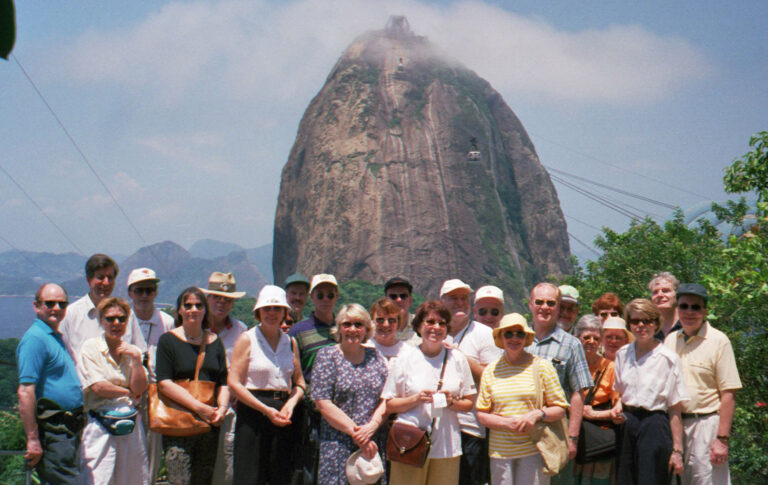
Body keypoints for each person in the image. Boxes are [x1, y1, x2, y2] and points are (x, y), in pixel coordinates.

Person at [383, 300, 476, 485]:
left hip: (447, 446)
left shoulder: (457, 358)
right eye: (430, 322)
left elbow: (468, 403)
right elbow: (390, 404)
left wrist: (451, 402)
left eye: (442, 323)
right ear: (419, 326)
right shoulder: (405, 359)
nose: (436, 327)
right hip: (409, 443)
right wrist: (416, 399)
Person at [476, 313, 569, 485]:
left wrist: (536, 415)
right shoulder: (490, 371)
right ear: (500, 337)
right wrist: (507, 424)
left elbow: (560, 408)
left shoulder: (542, 366)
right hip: (500, 452)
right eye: (508, 334)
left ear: (526, 337)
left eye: (520, 333)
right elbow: (482, 414)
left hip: (534, 448)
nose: (514, 338)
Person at [227, 285, 306, 485]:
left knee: (280, 475)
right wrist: (265, 409)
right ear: (258, 312)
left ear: (285, 312)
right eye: (267, 309)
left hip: (284, 415)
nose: (272, 314)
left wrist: (291, 403)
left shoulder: (291, 343)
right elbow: (234, 383)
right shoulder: (247, 339)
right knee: (249, 476)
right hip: (253, 414)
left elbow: (299, 383)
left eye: (277, 309)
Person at [664, 284, 741, 485]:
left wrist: (722, 440)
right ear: (677, 309)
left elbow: (729, 394)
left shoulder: (718, 341)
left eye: (696, 307)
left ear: (705, 311)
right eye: (684, 306)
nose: (689, 312)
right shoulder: (671, 341)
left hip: (706, 425)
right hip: (675, 426)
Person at [155, 287, 230, 485]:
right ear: (179, 310)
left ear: (205, 310)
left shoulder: (215, 342)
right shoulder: (168, 341)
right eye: (187, 305)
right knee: (179, 480)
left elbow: (223, 381)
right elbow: (164, 383)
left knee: (203, 480)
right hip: (178, 425)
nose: (193, 310)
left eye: (198, 305)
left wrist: (221, 409)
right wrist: (199, 408)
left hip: (209, 426)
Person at [611, 298, 687, 484]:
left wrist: (677, 450)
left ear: (656, 323)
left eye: (647, 321)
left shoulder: (668, 358)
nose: (641, 326)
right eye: (635, 321)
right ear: (629, 324)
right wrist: (617, 408)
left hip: (655, 425)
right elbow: (620, 394)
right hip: (628, 425)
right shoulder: (622, 354)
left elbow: (675, 407)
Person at [312, 304, 389, 484]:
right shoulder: (327, 356)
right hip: (337, 444)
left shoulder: (376, 357)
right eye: (347, 324)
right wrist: (357, 434)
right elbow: (323, 403)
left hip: (371, 443)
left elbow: (386, 398)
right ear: (339, 328)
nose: (352, 329)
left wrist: (372, 427)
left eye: (358, 324)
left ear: (366, 329)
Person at [16, 283, 85, 484]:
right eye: (50, 303)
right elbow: (25, 392)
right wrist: (33, 439)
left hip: (69, 429)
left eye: (62, 304)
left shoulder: (55, 337)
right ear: (37, 306)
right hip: (54, 430)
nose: (56, 308)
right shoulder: (35, 339)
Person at [526, 283, 592, 485]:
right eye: (539, 302)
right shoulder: (516, 338)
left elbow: (579, 393)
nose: (544, 307)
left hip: (555, 433)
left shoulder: (572, 344)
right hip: (519, 432)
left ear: (557, 307)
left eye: (550, 303)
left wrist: (572, 438)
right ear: (530, 305)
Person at [79, 297, 149, 485]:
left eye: (121, 318)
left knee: (133, 479)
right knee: (98, 478)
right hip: (101, 422)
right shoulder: (91, 348)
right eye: (110, 319)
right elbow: (99, 387)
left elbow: (141, 387)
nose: (116, 323)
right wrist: (128, 392)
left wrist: (136, 359)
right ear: (101, 320)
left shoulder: (133, 351)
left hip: (130, 423)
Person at [441, 279, 500, 485]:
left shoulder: (484, 334)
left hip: (471, 429)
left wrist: (461, 357)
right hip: (440, 428)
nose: (459, 303)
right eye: (453, 298)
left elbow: (493, 380)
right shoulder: (436, 330)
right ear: (442, 301)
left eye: (463, 298)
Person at [126, 267, 174, 484]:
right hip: (128, 395)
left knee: (153, 452)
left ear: (155, 292)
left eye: (149, 290)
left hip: (157, 395)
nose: (144, 295)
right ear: (131, 293)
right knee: (128, 452)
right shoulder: (122, 320)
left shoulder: (167, 322)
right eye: (139, 291)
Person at [201, 271, 249, 485]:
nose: (222, 303)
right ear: (208, 298)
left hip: (230, 411)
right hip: (197, 406)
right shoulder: (194, 327)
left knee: (226, 469)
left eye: (227, 299)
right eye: (217, 297)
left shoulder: (241, 330)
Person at [60, 254, 143, 364]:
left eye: (110, 278)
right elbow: (62, 355)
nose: (106, 283)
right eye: (100, 277)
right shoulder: (71, 314)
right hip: (84, 380)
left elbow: (140, 350)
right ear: (88, 280)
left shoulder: (126, 314)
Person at [572, 315, 621, 485]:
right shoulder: (569, 365)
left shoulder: (610, 368)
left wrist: (592, 414)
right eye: (586, 337)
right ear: (577, 338)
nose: (591, 341)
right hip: (571, 442)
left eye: (596, 338)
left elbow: (619, 411)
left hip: (598, 447)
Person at [290, 273, 340, 384]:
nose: (325, 299)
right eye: (320, 295)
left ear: (336, 296)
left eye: (330, 295)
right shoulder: (297, 331)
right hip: (311, 397)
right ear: (311, 296)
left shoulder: (345, 328)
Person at [368, 297, 414, 365]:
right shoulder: (362, 349)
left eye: (391, 320)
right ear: (372, 321)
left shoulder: (409, 353)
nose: (386, 325)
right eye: (380, 320)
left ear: (398, 323)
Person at [384, 276, 421, 345]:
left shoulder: (422, 325)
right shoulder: (375, 328)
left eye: (403, 296)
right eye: (393, 296)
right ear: (386, 300)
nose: (399, 300)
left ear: (410, 300)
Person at [649, 272, 682, 338]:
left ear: (677, 295)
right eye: (655, 292)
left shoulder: (689, 324)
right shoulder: (648, 330)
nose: (660, 295)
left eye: (665, 291)